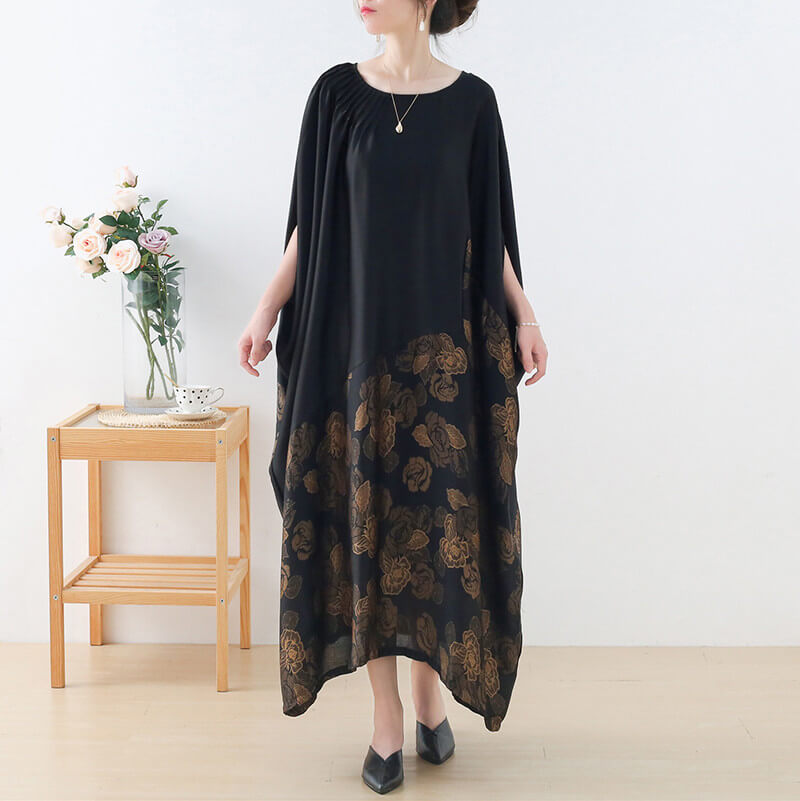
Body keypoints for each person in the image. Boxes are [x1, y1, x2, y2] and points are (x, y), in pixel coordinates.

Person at [238, 0, 547, 793]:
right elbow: (310, 225)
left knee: (438, 528)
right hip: (356, 358)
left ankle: (430, 696)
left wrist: (524, 314)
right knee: (366, 530)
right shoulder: (336, 96)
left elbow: (489, 231)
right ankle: (387, 720)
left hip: (440, 363)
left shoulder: (473, 104)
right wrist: (267, 307)